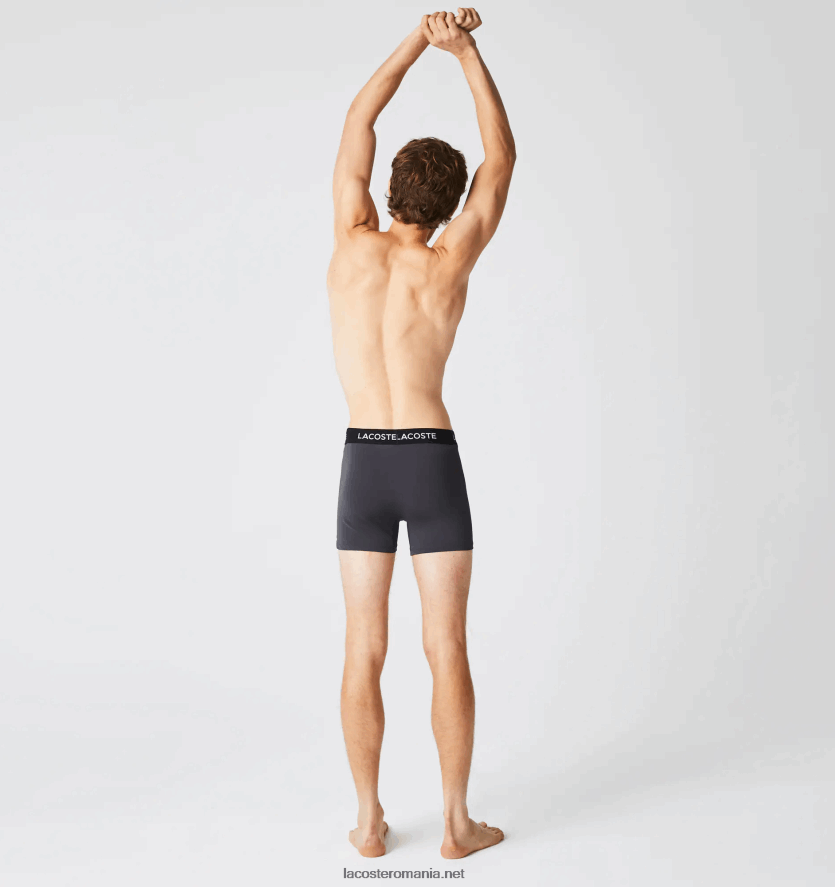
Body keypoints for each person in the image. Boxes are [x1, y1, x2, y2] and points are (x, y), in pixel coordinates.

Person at [327, 8, 516, 860]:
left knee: (363, 647)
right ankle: (454, 823)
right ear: (444, 208)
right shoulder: (446, 263)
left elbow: (359, 116)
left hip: (363, 462)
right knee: (446, 647)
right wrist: (464, 51)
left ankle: (369, 822)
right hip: (431, 463)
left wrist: (417, 36)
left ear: (388, 188)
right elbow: (501, 161)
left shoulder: (350, 244)